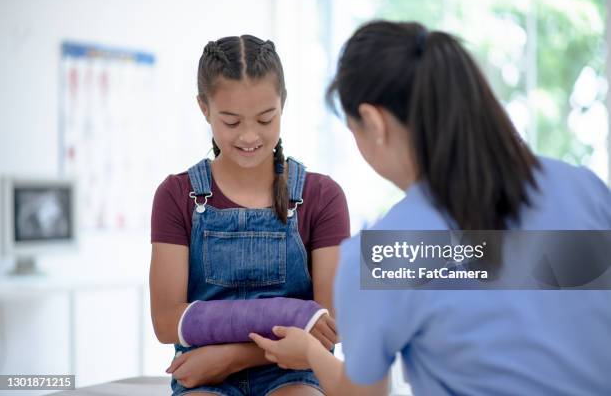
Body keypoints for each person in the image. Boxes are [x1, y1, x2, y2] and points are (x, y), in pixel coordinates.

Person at [250, 20, 611, 395]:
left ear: (374, 122)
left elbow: (364, 394)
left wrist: (310, 351)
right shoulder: (583, 188)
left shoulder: (386, 253)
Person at [150, 35, 350, 396]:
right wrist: (287, 317)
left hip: (293, 370)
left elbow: (326, 328)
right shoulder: (176, 195)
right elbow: (166, 322)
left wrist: (233, 357)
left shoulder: (322, 196)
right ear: (204, 108)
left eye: (265, 118)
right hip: (202, 371)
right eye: (230, 121)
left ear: (283, 104)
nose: (248, 136)